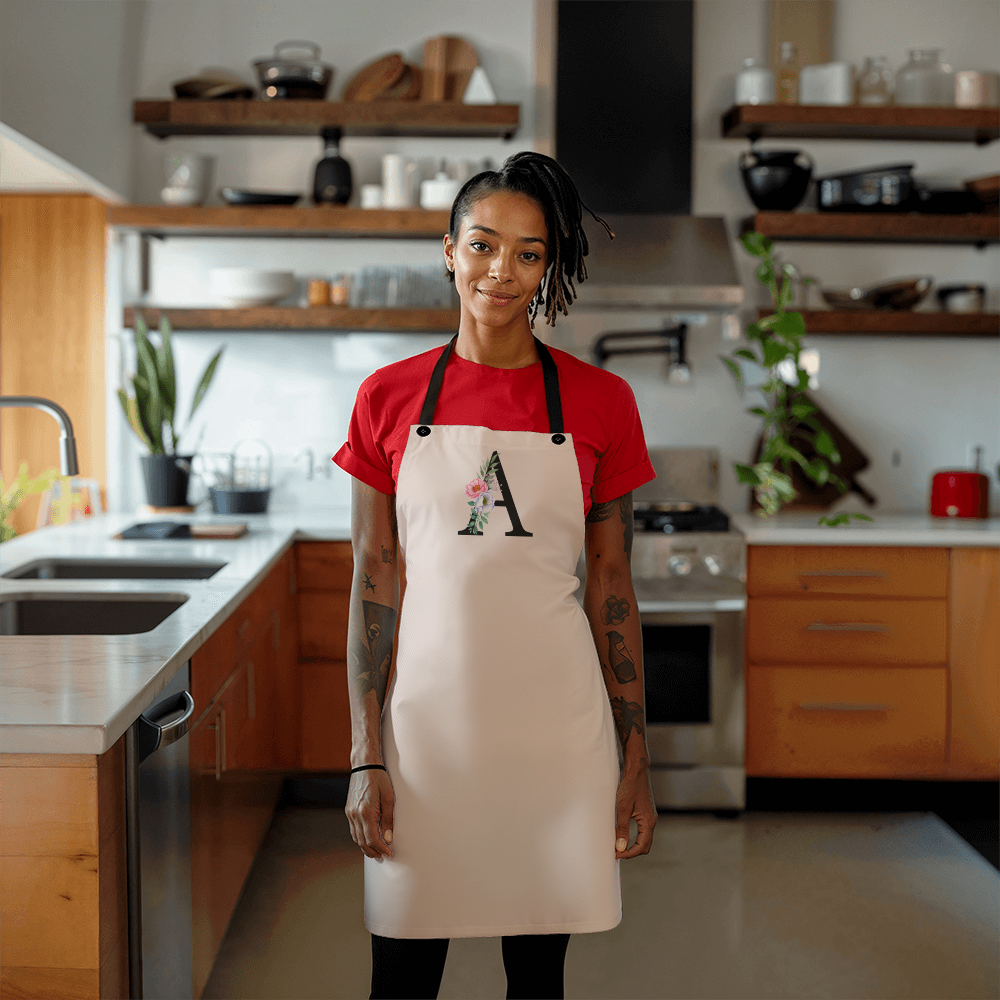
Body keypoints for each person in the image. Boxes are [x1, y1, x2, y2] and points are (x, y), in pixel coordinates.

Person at [332, 151, 659, 1000]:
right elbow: (375, 579)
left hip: (559, 740)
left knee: (537, 982)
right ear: (448, 250)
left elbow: (612, 589)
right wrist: (367, 757)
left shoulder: (601, 403)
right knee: (400, 977)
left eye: (528, 253)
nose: (501, 272)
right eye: (482, 245)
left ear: (549, 268)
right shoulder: (386, 399)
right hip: (426, 741)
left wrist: (634, 754)